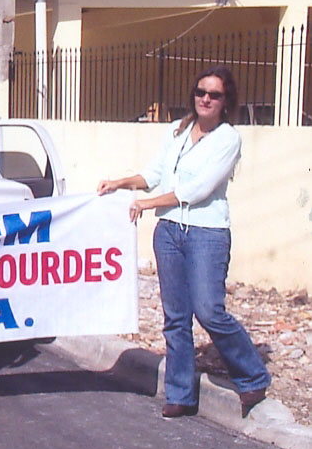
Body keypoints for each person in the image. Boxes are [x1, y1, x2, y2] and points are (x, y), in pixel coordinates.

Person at [98, 65, 270, 419]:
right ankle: (180, 393)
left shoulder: (228, 139)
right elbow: (154, 174)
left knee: (209, 310)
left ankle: (253, 376)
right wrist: (119, 183)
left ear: (226, 101)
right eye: (200, 92)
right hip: (170, 233)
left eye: (215, 94)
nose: (206, 99)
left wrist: (148, 203)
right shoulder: (176, 131)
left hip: (206, 232)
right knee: (176, 316)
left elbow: (199, 189)